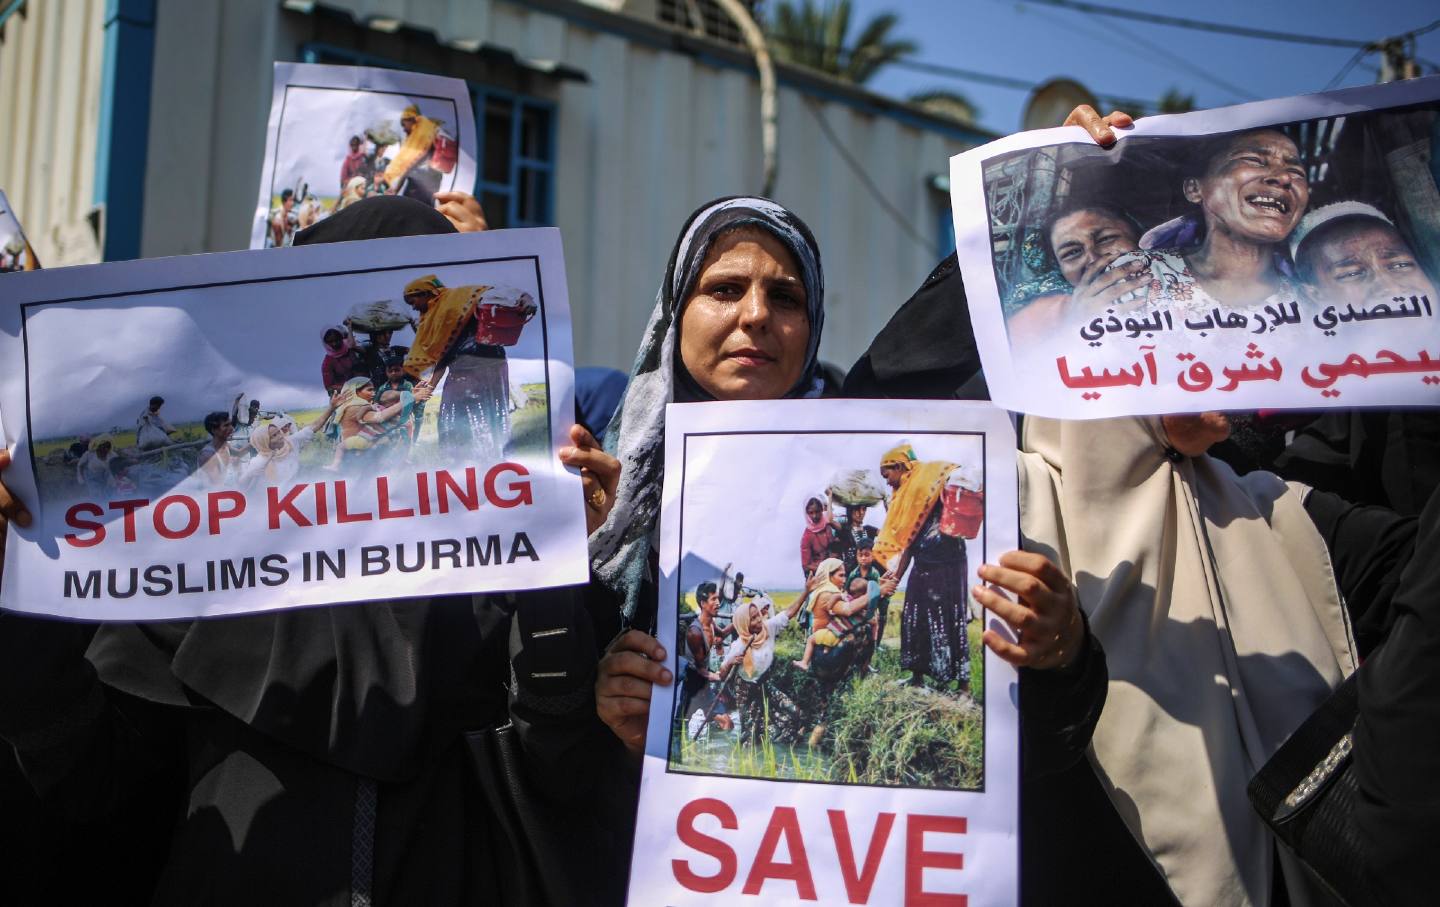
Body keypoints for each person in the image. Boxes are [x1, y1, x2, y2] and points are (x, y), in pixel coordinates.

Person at [0, 194, 628, 906]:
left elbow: (564, 770)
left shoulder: (516, 588)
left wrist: (551, 559)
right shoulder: (198, 576)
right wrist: (18, 594)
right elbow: (89, 777)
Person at [592, 195, 828, 759]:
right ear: (676, 312)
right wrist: (602, 696)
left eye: (786, 297)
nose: (755, 315)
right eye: (724, 290)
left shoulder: (848, 467)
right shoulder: (602, 492)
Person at [1120, 128, 1311, 315]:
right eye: (1254, 160)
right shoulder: (1139, 272)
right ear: (1194, 189)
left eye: (1296, 171)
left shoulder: (1314, 298)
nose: (1284, 177)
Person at [402, 276, 535, 461]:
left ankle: (489, 459)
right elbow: (445, 354)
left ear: (425, 292)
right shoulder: (432, 318)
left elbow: (501, 292)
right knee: (457, 417)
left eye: (413, 301)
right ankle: (468, 463)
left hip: (485, 365)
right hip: (464, 369)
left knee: (482, 413)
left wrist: (527, 300)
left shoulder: (461, 296)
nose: (414, 307)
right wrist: (431, 386)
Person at [874, 443, 971, 693]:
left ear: (898, 466)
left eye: (887, 475)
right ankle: (917, 677)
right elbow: (908, 541)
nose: (888, 482)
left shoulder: (924, 479)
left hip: (948, 564)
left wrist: (895, 577)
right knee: (914, 616)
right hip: (924, 561)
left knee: (951, 616)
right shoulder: (906, 493)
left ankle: (963, 686)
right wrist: (894, 578)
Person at [1005, 202, 1150, 343]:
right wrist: (1077, 326)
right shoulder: (1038, 318)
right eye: (1072, 252)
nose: (1094, 258)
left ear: (1140, 238)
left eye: (1106, 238)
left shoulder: (1171, 264)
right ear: (1060, 270)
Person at [238, 404, 337, 488]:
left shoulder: (290, 442)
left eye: (278, 432)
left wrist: (331, 408)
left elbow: (313, 427)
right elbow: (242, 484)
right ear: (264, 442)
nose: (280, 436)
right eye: (274, 436)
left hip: (297, 490)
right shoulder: (259, 461)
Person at [381, 104, 443, 203]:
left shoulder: (423, 133)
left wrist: (396, 186)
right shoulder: (418, 134)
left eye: (403, 124)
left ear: (411, 119)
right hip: (423, 183)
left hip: (421, 185)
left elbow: (411, 164)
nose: (404, 129)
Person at [798, 494, 836, 590]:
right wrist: (826, 568)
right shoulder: (807, 537)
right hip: (817, 578)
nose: (814, 516)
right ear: (806, 513)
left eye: (817, 512)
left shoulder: (828, 525)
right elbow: (806, 566)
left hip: (834, 572)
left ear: (822, 510)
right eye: (811, 512)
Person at [319, 325, 366, 396]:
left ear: (342, 338)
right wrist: (351, 388)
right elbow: (329, 387)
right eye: (330, 341)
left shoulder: (352, 349)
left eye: (337, 340)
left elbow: (366, 353)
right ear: (326, 343)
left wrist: (350, 327)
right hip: (346, 396)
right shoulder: (328, 362)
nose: (334, 343)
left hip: (366, 388)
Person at [195, 410, 234, 487]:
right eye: (226, 425)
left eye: (231, 424)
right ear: (214, 430)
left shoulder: (225, 446)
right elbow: (218, 485)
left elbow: (239, 453)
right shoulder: (207, 455)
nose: (232, 428)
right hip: (210, 496)